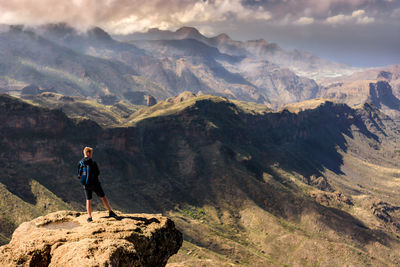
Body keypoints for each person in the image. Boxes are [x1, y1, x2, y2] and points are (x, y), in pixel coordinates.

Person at [77, 147, 117, 222]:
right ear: (88, 153)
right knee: (103, 197)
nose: (92, 155)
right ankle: (110, 212)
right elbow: (97, 173)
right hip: (95, 184)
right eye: (91, 153)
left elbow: (79, 174)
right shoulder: (92, 162)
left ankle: (89, 217)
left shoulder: (80, 163)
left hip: (86, 185)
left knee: (88, 200)